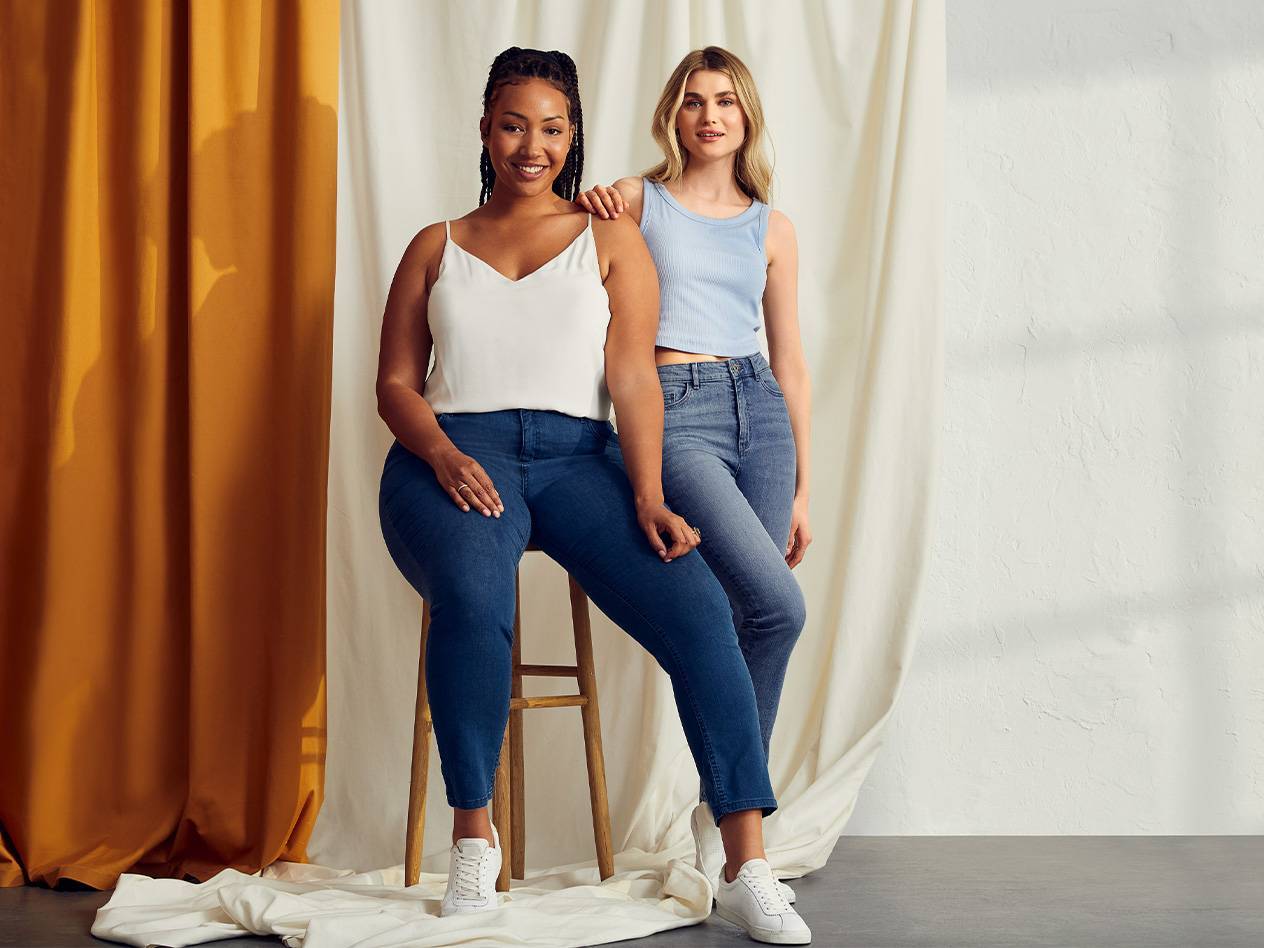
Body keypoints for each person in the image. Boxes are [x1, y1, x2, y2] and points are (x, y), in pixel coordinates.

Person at [376, 47, 811, 943]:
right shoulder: (435, 244)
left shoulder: (608, 238)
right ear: (486, 131)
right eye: (512, 126)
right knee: (476, 600)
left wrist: (648, 494)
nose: (531, 146)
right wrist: (442, 454)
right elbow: (393, 384)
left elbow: (635, 379)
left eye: (551, 128)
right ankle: (473, 841)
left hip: (579, 459)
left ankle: (745, 864)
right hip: (454, 455)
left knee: (703, 611)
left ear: (572, 136)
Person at [575, 45, 813, 912]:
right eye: (693, 101)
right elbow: (573, 269)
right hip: (676, 412)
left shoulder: (772, 227)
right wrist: (590, 204)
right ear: (672, 116)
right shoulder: (637, 201)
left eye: (725, 101)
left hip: (762, 412)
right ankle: (741, 825)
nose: (709, 116)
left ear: (747, 118)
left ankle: (727, 819)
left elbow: (791, 359)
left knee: (760, 616)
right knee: (772, 608)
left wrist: (804, 486)